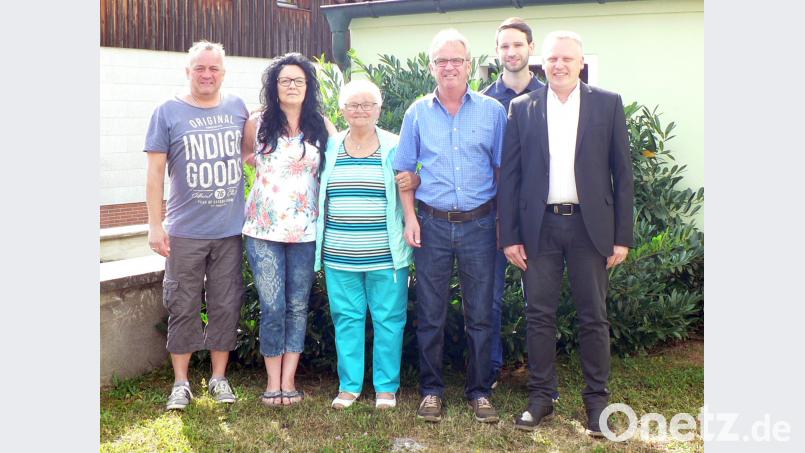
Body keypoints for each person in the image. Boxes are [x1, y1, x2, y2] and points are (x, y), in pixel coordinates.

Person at [498, 31, 634, 436]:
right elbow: (511, 177)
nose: (559, 65)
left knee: (594, 317)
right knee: (538, 316)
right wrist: (509, 236)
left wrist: (622, 236)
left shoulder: (607, 104)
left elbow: (623, 175)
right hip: (539, 227)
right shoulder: (522, 107)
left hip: (590, 229)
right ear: (543, 63)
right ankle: (541, 398)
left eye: (567, 59)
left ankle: (597, 404)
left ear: (580, 64)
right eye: (553, 59)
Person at [394, 29, 507, 424]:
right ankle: (431, 390)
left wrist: (502, 224)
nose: (449, 67)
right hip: (432, 225)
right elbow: (405, 170)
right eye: (441, 61)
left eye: (456, 60)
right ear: (431, 67)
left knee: (480, 314)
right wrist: (410, 218)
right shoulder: (417, 112)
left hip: (481, 225)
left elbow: (502, 171)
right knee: (431, 313)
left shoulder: (493, 112)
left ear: (470, 65)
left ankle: (479, 391)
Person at [144, 40, 248, 411]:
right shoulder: (167, 111)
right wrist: (156, 225)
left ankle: (219, 378)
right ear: (188, 71)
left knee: (226, 303)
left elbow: (253, 153)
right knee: (183, 304)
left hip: (230, 229)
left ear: (223, 72)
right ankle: (182, 383)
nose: (207, 75)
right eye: (199, 68)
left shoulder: (237, 107)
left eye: (213, 69)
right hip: (185, 231)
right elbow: (155, 173)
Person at [314, 79, 419, 410]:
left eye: (367, 105)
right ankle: (349, 386)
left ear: (378, 109)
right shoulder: (328, 147)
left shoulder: (395, 145)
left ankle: (386, 388)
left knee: (390, 320)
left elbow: (412, 183)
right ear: (342, 110)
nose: (360, 111)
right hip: (338, 254)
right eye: (353, 105)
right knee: (346, 318)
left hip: (386, 255)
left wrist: (415, 179)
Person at [242, 53, 336, 407]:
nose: (292, 86)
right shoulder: (257, 122)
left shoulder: (322, 126)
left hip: (305, 232)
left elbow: (331, 172)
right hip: (263, 230)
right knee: (272, 305)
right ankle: (271, 382)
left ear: (308, 85)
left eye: (298, 80)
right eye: (285, 80)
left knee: (297, 305)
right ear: (275, 86)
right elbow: (246, 160)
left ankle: (289, 381)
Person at [479, 16, 546, 392]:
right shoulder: (484, 101)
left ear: (530, 47)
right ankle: (489, 372)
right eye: (504, 46)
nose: (511, 52)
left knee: (537, 301)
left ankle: (539, 378)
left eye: (517, 44)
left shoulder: (549, 97)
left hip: (535, 217)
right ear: (497, 51)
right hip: (490, 217)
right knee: (489, 300)